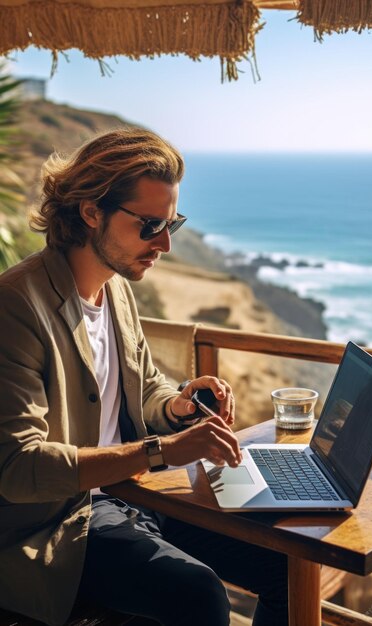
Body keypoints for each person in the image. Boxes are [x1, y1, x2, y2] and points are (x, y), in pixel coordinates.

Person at [0, 128, 288, 626]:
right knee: (198, 594)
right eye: (151, 224)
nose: (166, 243)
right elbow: (18, 467)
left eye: (172, 222)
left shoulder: (115, 290)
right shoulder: (17, 306)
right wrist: (162, 451)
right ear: (91, 212)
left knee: (284, 567)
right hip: (62, 522)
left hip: (134, 492)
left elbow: (144, 384)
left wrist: (176, 404)